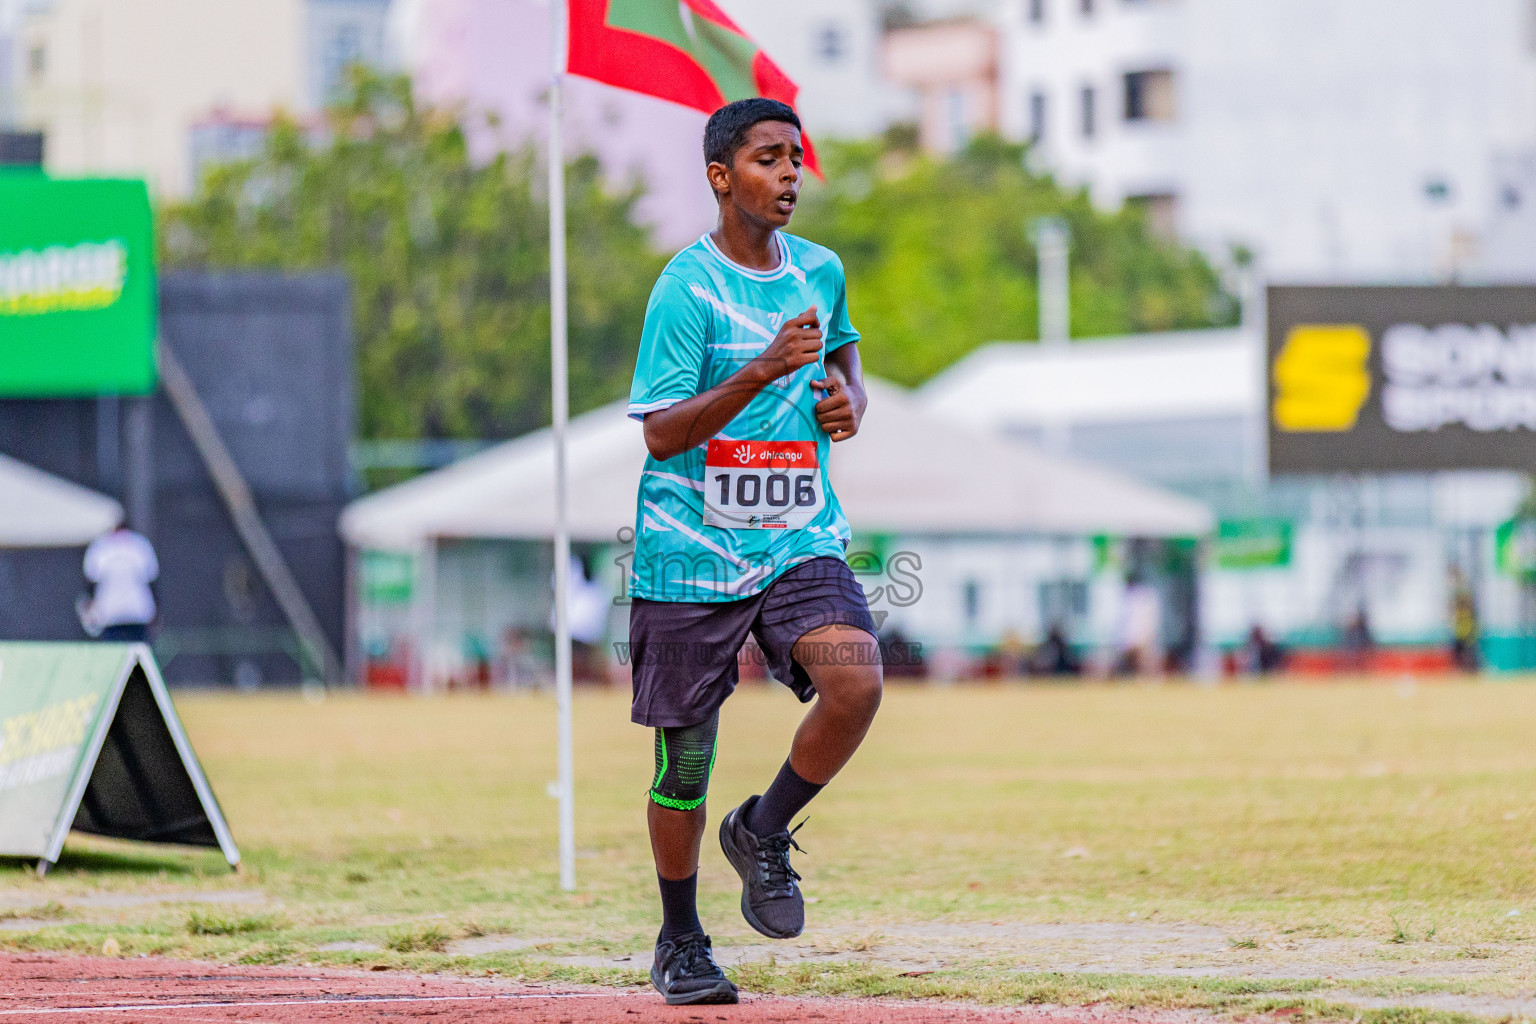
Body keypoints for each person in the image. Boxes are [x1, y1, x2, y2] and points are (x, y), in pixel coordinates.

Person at [626, 98, 882, 1006]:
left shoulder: (820, 270)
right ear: (720, 177)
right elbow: (660, 435)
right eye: (769, 159)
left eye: (796, 159)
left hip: (797, 534)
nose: (789, 175)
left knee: (857, 679)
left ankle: (763, 831)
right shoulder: (684, 290)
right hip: (687, 551)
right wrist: (761, 372)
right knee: (684, 760)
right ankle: (680, 937)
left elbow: (846, 361)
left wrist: (847, 401)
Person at [79, 525, 158, 643]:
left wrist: (89, 606)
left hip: (110, 613)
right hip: (137, 611)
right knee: (137, 655)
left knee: (113, 655)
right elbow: (151, 580)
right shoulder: (140, 544)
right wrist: (156, 609)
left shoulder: (101, 546)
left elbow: (92, 581)